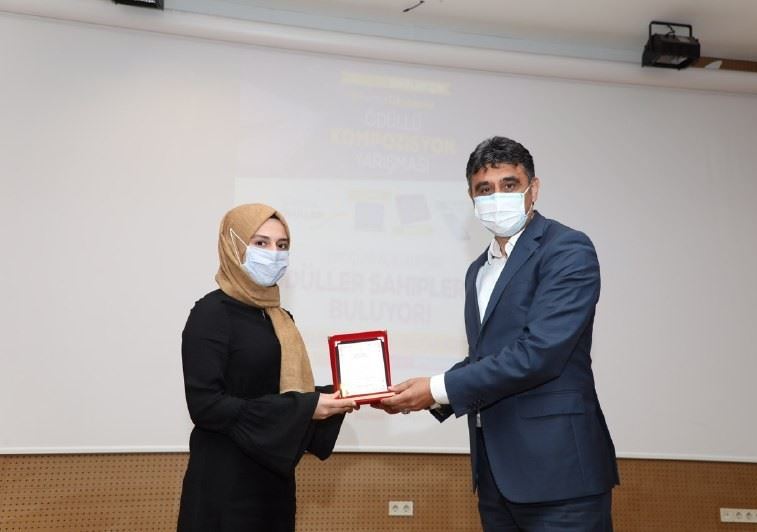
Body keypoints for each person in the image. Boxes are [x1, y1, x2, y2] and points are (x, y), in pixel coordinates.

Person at [378, 137, 619, 531]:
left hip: (560, 475)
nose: (497, 198)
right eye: (484, 189)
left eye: (509, 185)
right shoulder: (478, 269)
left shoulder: (567, 250)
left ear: (533, 189)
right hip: (495, 476)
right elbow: (486, 357)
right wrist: (424, 396)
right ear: (471, 198)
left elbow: (538, 354)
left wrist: (437, 388)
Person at [177, 203, 357, 532]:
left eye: (282, 245)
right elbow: (206, 405)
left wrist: (335, 396)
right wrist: (306, 407)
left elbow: (281, 392)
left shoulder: (279, 317)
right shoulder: (211, 313)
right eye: (261, 243)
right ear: (233, 245)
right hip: (225, 483)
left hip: (273, 484)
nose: (274, 253)